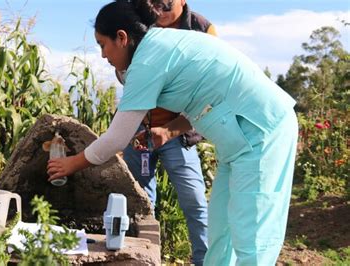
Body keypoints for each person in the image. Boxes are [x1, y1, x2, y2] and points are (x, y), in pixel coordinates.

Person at [48, 1, 298, 265]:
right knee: (221, 231)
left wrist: (71, 164)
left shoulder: (148, 59)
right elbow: (204, 96)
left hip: (262, 132)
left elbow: (116, 138)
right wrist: (168, 131)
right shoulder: (160, 45)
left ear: (121, 38)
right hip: (237, 143)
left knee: (252, 237)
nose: (102, 55)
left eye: (102, 44)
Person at [118, 1, 216, 264]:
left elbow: (211, 87)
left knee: (194, 202)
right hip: (140, 128)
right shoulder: (140, 22)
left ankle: (204, 261)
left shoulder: (202, 29)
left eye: (165, 3)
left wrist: (170, 131)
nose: (157, 9)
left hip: (179, 133)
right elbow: (122, 67)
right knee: (139, 202)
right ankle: (141, 259)